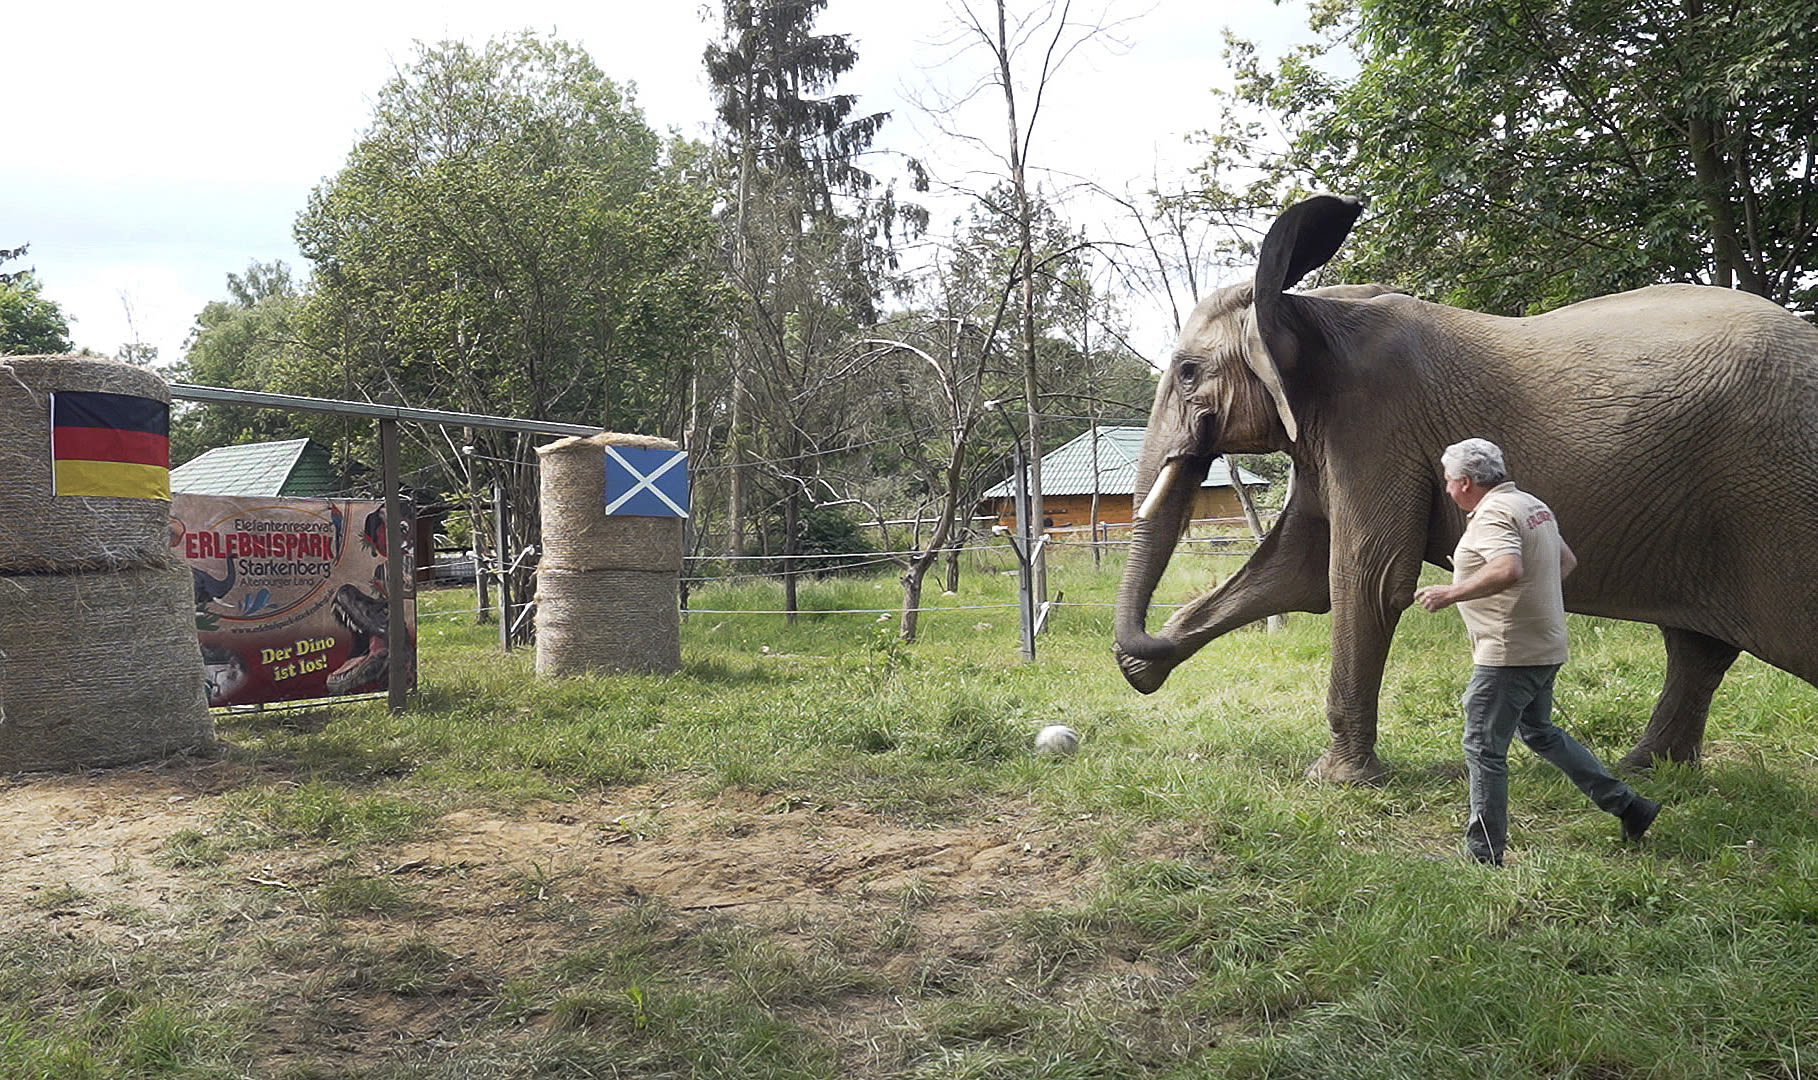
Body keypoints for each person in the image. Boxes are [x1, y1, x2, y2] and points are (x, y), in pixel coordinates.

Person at [1414, 438, 1659, 865]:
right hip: (1544, 643)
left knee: (1483, 747)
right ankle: (1630, 807)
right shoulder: (1530, 504)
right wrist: (1529, 600)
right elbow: (1565, 561)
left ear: (1466, 482)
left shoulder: (1492, 514)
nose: (1448, 488)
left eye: (1449, 480)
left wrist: (1453, 592)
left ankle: (1484, 854)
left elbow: (1508, 567)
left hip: (1509, 654)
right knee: (1540, 732)